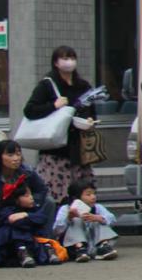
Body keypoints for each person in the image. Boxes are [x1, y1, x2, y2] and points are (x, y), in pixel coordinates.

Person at [22, 46, 101, 200]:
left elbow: (91, 110)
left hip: (79, 149)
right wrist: (53, 106)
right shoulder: (47, 84)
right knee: (57, 196)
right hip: (55, 150)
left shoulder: (83, 86)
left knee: (83, 196)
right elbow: (30, 110)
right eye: (64, 58)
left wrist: (90, 121)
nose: (69, 62)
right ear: (56, 62)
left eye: (72, 58)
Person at [0, 139, 51, 239]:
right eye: (10, 155)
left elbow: (41, 190)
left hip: (25, 211)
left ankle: (47, 241)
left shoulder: (27, 171)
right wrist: (6, 212)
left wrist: (31, 202)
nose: (16, 159)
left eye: (18, 154)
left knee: (50, 202)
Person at [0, 179, 57, 268]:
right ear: (16, 199)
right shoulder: (6, 210)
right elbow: (12, 220)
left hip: (30, 238)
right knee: (15, 229)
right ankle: (23, 252)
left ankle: (47, 251)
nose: (31, 197)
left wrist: (25, 214)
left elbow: (42, 218)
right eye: (26, 195)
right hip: (8, 243)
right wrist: (27, 219)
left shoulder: (32, 209)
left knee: (39, 231)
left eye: (31, 194)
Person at [55, 180, 118, 261]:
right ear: (76, 197)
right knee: (76, 220)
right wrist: (69, 218)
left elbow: (112, 220)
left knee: (100, 220)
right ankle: (80, 248)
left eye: (94, 194)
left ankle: (103, 247)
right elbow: (57, 230)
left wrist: (98, 218)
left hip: (93, 244)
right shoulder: (66, 208)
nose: (93, 197)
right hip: (71, 247)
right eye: (88, 194)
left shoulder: (97, 207)